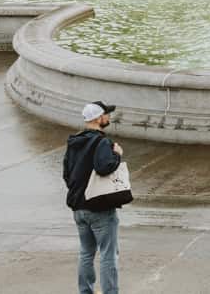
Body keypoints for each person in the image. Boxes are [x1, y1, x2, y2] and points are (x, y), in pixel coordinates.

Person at [62, 101, 125, 294]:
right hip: (99, 208)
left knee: (86, 253)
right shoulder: (102, 142)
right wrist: (117, 155)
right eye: (106, 114)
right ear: (98, 118)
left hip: (78, 208)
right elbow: (104, 167)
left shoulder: (73, 142)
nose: (108, 117)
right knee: (108, 255)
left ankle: (86, 291)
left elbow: (66, 174)